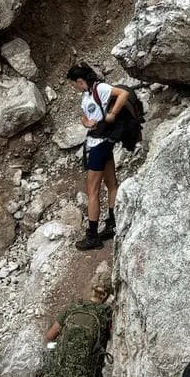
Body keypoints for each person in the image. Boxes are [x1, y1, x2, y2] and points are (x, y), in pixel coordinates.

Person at [67, 62, 129, 251]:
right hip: (101, 141)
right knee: (111, 184)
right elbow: (84, 116)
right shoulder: (86, 96)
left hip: (99, 144)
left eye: (73, 84)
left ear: (80, 81)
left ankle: (92, 236)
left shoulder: (100, 88)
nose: (73, 87)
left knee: (92, 191)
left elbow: (123, 94)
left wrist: (112, 114)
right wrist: (86, 122)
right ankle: (112, 223)